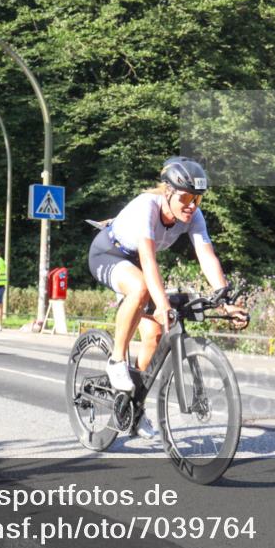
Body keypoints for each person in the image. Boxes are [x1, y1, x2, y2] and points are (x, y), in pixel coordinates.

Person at [87, 156, 248, 394]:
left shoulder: (194, 216)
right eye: (185, 197)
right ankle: (117, 360)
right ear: (168, 192)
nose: (191, 205)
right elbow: (149, 260)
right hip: (108, 253)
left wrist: (226, 303)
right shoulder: (147, 207)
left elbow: (207, 257)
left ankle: (132, 403)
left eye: (197, 198)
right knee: (140, 288)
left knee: (154, 336)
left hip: (137, 264)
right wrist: (162, 305)